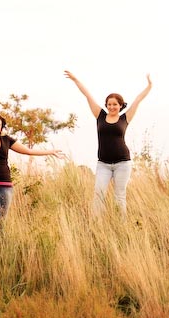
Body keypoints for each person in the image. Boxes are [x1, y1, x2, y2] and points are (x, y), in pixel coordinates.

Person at [64, 70, 152, 214]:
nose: (111, 107)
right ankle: (97, 226)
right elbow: (87, 95)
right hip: (103, 164)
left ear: (120, 105)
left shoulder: (125, 118)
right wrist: (75, 79)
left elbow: (138, 99)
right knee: (98, 195)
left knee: (119, 197)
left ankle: (120, 225)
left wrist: (149, 85)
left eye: (115, 104)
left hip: (123, 163)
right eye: (109, 104)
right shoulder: (99, 115)